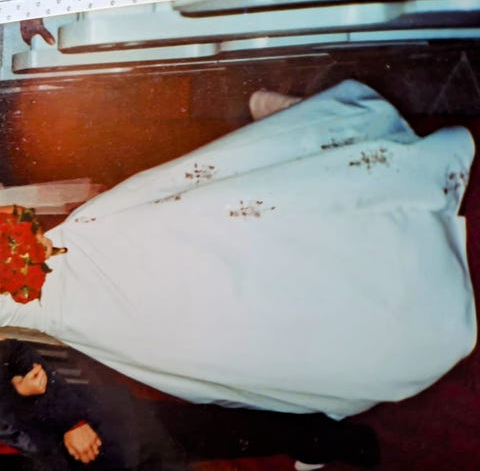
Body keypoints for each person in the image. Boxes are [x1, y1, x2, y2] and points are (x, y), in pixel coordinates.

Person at [0, 79, 476, 419]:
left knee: (211, 216)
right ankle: (389, 307)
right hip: (85, 311)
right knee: (225, 308)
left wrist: (23, 229)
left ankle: (325, 153)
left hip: (81, 243)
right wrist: (19, 383)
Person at [0, 338, 380, 470]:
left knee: (215, 432)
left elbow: (15, 354)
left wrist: (67, 418)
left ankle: (330, 438)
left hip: (99, 428)